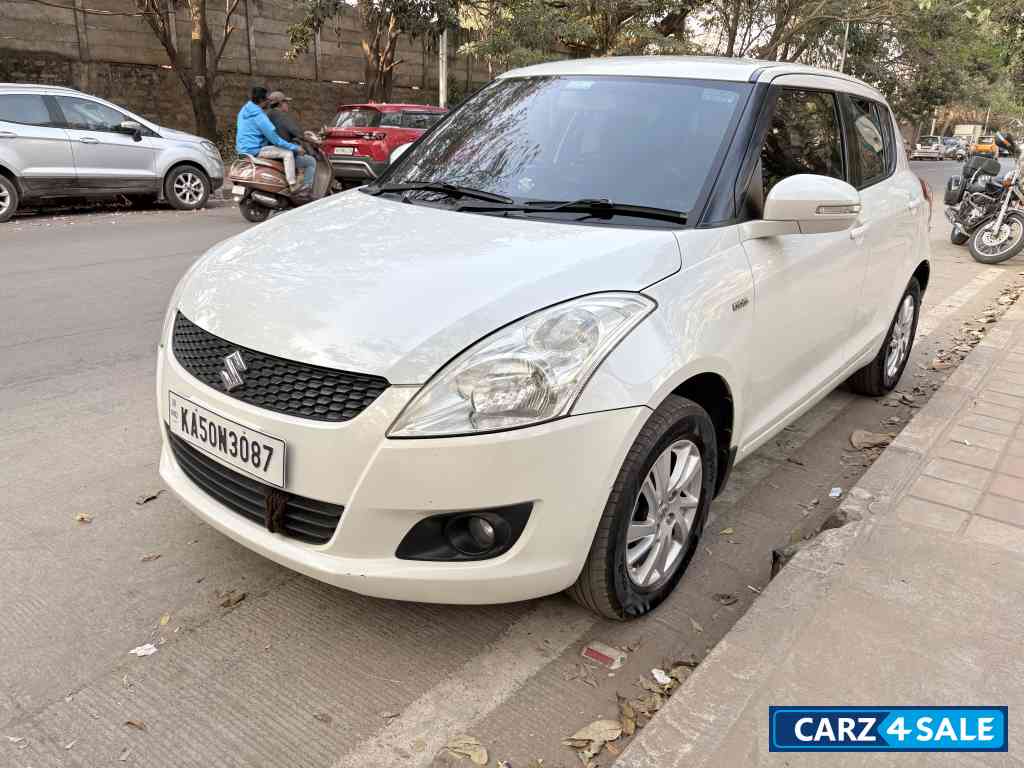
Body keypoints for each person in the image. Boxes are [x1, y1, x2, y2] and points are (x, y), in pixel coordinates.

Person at [235, 86, 306, 192]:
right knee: (288, 153)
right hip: (255, 150)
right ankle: (292, 185)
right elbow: (276, 140)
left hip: (241, 149)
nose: (268, 102)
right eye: (267, 100)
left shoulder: (244, 110)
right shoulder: (260, 117)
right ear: (261, 101)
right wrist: (295, 147)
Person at [267, 90, 316, 193]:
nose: (287, 104)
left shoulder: (268, 115)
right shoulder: (282, 116)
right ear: (280, 103)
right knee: (311, 161)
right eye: (285, 102)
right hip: (282, 152)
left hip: (271, 151)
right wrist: (314, 141)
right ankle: (306, 191)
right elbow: (297, 132)